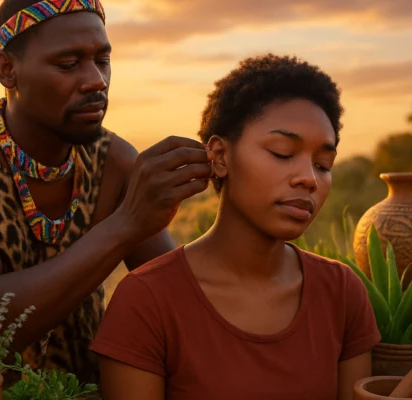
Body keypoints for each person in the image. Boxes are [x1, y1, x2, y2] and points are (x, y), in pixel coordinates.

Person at [0, 0, 213, 385]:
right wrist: (124, 226)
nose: (96, 81)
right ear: (8, 70)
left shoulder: (112, 161)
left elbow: (180, 301)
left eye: (102, 60)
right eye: (68, 65)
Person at [90, 54, 381, 399]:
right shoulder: (146, 300)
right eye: (282, 152)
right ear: (221, 156)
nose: (309, 179)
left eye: (323, 164)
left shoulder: (341, 292)